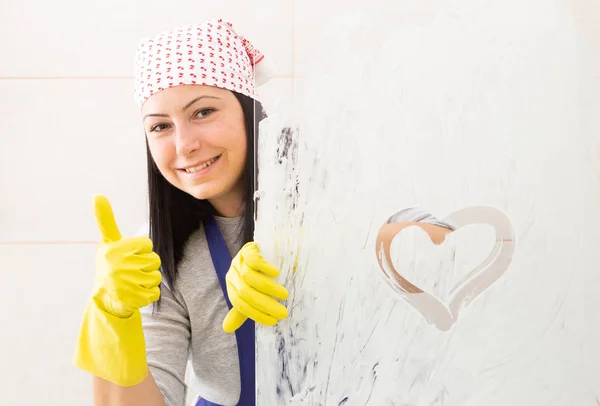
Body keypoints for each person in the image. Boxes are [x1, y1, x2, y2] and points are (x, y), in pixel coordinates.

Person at [73, 19, 286, 406]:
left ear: (247, 110)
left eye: (203, 112)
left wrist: (312, 257)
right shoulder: (153, 252)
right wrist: (113, 316)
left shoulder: (333, 195)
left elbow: (428, 247)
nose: (184, 145)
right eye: (159, 127)